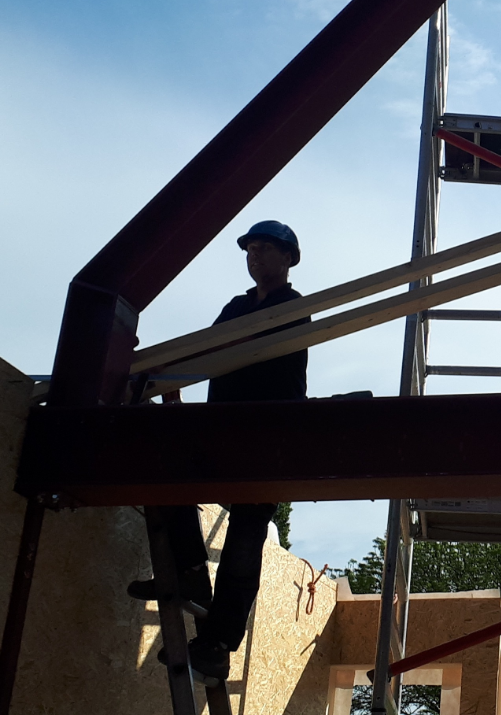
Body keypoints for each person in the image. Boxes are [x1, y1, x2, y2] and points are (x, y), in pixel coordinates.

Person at [128, 220, 309, 682]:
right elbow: (207, 350)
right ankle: (189, 571)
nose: (255, 255)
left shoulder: (295, 307)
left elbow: (247, 350)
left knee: (246, 535)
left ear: (288, 258)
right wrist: (170, 381)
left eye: (265, 248)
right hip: (222, 426)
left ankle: (218, 643)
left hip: (268, 435)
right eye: (250, 249)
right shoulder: (235, 306)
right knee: (170, 480)